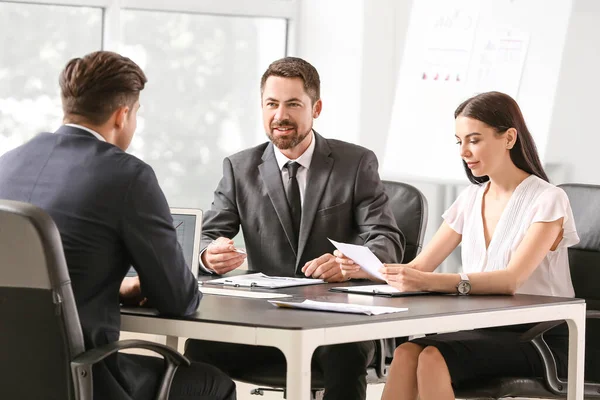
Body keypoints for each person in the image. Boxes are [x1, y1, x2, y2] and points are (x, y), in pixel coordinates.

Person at [0, 51, 236, 400]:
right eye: (136, 114)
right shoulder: (128, 176)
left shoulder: (8, 164)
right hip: (84, 379)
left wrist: (114, 290)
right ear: (122, 115)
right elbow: (178, 300)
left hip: (10, 374)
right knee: (213, 384)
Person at [184, 56, 404, 400]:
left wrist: (349, 265)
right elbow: (209, 235)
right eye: (271, 104)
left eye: (292, 104)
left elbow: (387, 240)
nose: (280, 115)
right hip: (264, 318)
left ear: (316, 108)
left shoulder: (355, 164)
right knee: (200, 348)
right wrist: (208, 255)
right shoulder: (240, 168)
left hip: (337, 321)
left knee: (345, 353)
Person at [340, 91, 578, 400]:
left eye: (474, 140)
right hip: (484, 327)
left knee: (432, 357)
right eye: (459, 141)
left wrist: (430, 281)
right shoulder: (470, 198)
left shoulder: (548, 199)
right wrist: (367, 269)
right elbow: (417, 268)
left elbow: (510, 280)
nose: (464, 151)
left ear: (508, 138)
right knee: (406, 353)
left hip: (538, 337)